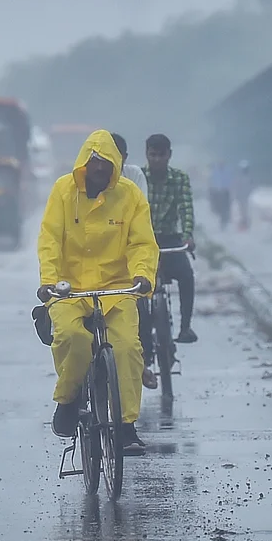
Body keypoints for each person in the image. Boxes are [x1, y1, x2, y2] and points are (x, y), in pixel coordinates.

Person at [37, 130, 158, 455]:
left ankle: (126, 428)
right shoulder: (63, 191)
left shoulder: (130, 195)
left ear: (115, 169)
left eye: (107, 169)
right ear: (84, 166)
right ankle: (68, 399)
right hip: (69, 289)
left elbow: (142, 243)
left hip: (116, 290)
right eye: (95, 168)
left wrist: (143, 276)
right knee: (73, 339)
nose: (100, 175)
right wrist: (49, 280)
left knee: (128, 349)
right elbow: (50, 239)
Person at [110, 132, 161, 389]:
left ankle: (145, 363)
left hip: (128, 258)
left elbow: (140, 219)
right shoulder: (81, 183)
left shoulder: (134, 179)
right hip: (95, 264)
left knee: (142, 308)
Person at [143, 133, 198, 344]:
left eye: (161, 155)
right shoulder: (137, 178)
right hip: (142, 242)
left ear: (169, 155)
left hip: (169, 240)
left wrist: (187, 236)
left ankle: (185, 327)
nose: (157, 159)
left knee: (186, 276)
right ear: (147, 155)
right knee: (133, 286)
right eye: (153, 155)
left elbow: (186, 209)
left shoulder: (179, 179)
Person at [208, 162, 232, 229]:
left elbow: (229, 182)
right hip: (217, 193)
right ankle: (223, 220)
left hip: (225, 192)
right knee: (217, 208)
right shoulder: (215, 173)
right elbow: (212, 183)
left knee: (225, 208)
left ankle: (224, 221)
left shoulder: (227, 172)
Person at [232, 160, 254, 231]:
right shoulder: (239, 177)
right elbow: (236, 187)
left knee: (244, 210)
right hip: (241, 196)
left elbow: (251, 187)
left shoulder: (248, 177)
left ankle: (244, 223)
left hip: (245, 196)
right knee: (242, 210)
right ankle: (243, 223)